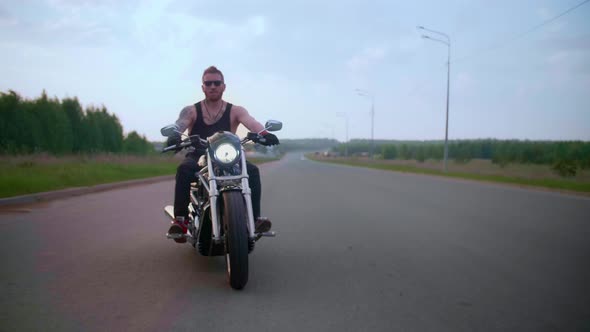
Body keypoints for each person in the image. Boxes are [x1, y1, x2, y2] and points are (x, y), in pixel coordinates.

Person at [166, 65, 279, 242]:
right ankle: (181, 220)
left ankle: (255, 219)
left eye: (216, 83)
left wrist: (264, 133)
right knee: (184, 169)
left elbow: (251, 122)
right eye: (208, 83)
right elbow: (180, 123)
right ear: (203, 87)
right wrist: (175, 136)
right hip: (199, 154)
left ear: (223, 86)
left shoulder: (236, 110)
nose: (212, 86)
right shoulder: (192, 110)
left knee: (253, 171)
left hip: (228, 156)